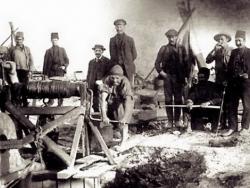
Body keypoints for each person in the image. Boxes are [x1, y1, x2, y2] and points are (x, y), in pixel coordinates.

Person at [154, 29, 189, 129]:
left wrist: (186, 77)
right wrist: (163, 74)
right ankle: (170, 121)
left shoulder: (182, 49)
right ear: (167, 38)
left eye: (173, 37)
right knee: (168, 99)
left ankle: (177, 121)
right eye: (169, 37)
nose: (171, 39)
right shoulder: (163, 49)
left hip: (179, 78)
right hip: (168, 77)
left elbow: (186, 65)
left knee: (178, 99)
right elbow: (157, 64)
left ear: (177, 37)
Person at [223, 30, 250, 136]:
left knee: (247, 106)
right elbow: (229, 68)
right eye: (236, 41)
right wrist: (226, 79)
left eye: (239, 41)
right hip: (233, 84)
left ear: (244, 40)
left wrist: (248, 75)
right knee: (231, 105)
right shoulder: (233, 52)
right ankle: (232, 127)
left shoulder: (249, 52)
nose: (238, 43)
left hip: (246, 84)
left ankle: (245, 128)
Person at [100, 65, 134, 145]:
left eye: (117, 78)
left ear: (121, 77)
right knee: (111, 115)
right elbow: (103, 100)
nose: (115, 80)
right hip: (113, 99)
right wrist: (104, 116)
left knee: (121, 114)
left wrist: (125, 118)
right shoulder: (107, 80)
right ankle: (118, 132)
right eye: (113, 78)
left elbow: (128, 102)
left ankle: (124, 138)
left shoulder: (125, 82)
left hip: (124, 101)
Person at [206, 33, 233, 129]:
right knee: (219, 100)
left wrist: (224, 51)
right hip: (218, 80)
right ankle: (221, 123)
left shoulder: (232, 50)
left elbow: (230, 64)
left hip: (229, 80)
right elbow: (208, 60)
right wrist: (214, 50)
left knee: (228, 102)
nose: (220, 42)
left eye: (222, 39)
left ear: (227, 40)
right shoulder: (216, 51)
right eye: (218, 40)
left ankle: (230, 124)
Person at [43, 32, 69, 106]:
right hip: (51, 72)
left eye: (56, 40)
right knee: (51, 87)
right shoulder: (48, 51)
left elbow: (67, 60)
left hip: (60, 72)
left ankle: (60, 103)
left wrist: (64, 66)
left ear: (58, 40)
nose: (54, 41)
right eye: (53, 40)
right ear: (51, 41)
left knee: (60, 87)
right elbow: (45, 63)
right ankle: (51, 101)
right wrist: (45, 74)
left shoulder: (62, 50)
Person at [9, 31, 35, 106]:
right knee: (16, 87)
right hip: (15, 71)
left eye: (20, 39)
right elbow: (9, 60)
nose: (19, 41)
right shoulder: (12, 49)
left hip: (25, 70)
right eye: (17, 39)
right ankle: (16, 103)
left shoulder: (27, 49)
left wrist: (30, 70)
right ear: (15, 40)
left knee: (24, 87)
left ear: (23, 39)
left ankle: (25, 102)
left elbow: (31, 60)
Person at [109, 19, 137, 85]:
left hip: (129, 68)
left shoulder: (130, 40)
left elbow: (134, 54)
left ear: (124, 27)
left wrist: (127, 61)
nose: (119, 29)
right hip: (117, 68)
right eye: (117, 27)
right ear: (115, 28)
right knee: (118, 85)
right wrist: (117, 64)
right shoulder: (112, 40)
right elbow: (112, 55)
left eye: (120, 26)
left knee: (129, 87)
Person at [87, 44, 111, 112]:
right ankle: (96, 115)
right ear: (94, 51)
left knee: (104, 101)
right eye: (96, 50)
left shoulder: (107, 61)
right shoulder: (91, 62)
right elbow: (88, 74)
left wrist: (102, 81)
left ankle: (106, 116)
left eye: (99, 51)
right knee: (94, 103)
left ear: (102, 51)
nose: (97, 52)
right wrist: (88, 83)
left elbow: (109, 74)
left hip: (103, 85)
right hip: (92, 86)